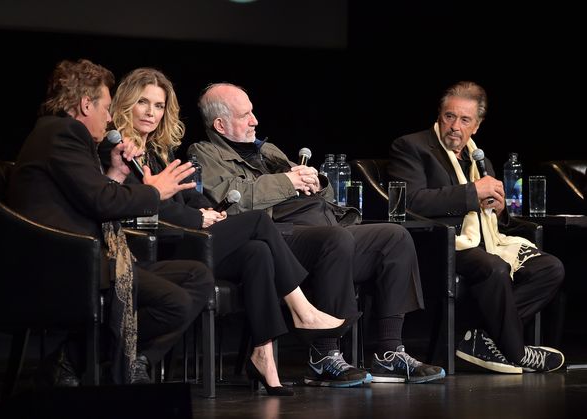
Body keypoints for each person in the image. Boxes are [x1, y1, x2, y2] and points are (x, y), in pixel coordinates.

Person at [101, 67, 362, 394]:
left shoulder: (160, 150)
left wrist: (206, 210)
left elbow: (188, 195)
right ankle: (302, 309)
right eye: (144, 103)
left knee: (257, 252)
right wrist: (198, 219)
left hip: (186, 237)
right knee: (257, 222)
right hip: (157, 246)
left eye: (159, 105)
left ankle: (264, 357)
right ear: (126, 104)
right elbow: (148, 203)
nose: (152, 112)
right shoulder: (116, 149)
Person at [189, 82, 446, 385]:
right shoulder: (204, 153)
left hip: (321, 225)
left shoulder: (267, 149)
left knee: (394, 237)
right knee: (333, 239)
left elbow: (323, 198)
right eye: (246, 115)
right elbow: (233, 198)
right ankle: (325, 356)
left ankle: (388, 353)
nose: (255, 120)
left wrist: (318, 183)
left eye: (253, 113)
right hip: (276, 236)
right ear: (220, 124)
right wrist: (289, 181)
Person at [7, 59, 215, 386]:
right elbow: (101, 203)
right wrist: (152, 191)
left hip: (89, 257)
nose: (108, 116)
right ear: (85, 104)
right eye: (105, 107)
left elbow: (96, 195)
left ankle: (124, 362)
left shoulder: (63, 134)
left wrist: (116, 174)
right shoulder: (64, 132)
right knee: (175, 303)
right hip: (65, 262)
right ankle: (73, 359)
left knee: (198, 275)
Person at [387, 80, 565, 373]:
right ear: (440, 116)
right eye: (449, 116)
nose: (455, 126)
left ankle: (483, 338)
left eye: (465, 119)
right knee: (493, 267)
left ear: (477, 126)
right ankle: (516, 352)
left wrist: (500, 208)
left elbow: (495, 216)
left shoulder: (477, 157)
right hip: (441, 243)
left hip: (486, 241)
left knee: (549, 268)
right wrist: (473, 193)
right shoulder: (412, 147)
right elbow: (412, 202)